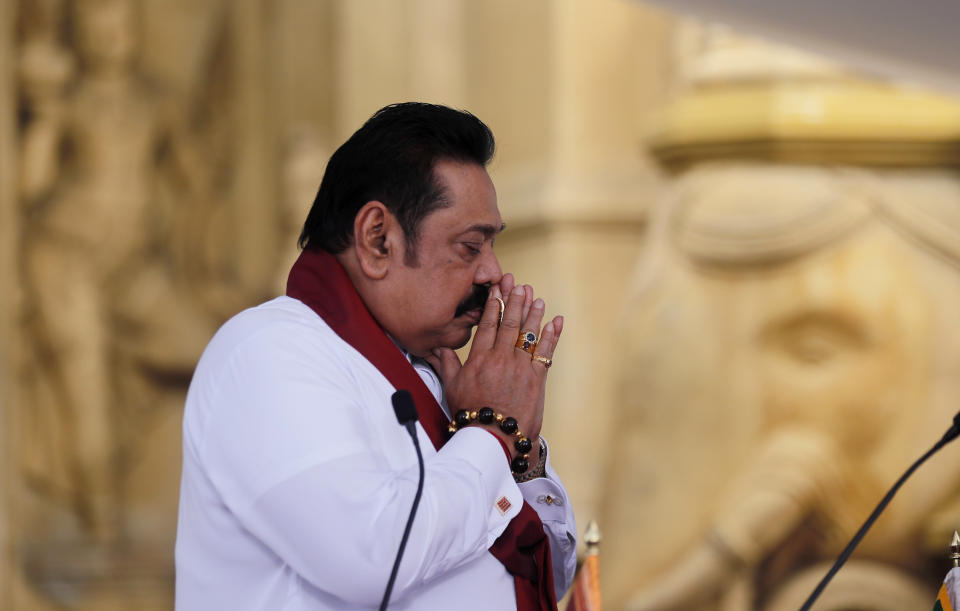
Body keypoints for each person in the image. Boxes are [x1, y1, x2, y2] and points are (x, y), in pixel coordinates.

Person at [175, 102, 577, 610]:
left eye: (492, 245)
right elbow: (374, 561)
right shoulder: (267, 352)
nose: (492, 273)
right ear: (378, 239)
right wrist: (494, 430)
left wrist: (521, 450)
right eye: (470, 246)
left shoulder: (440, 380)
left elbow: (551, 571)